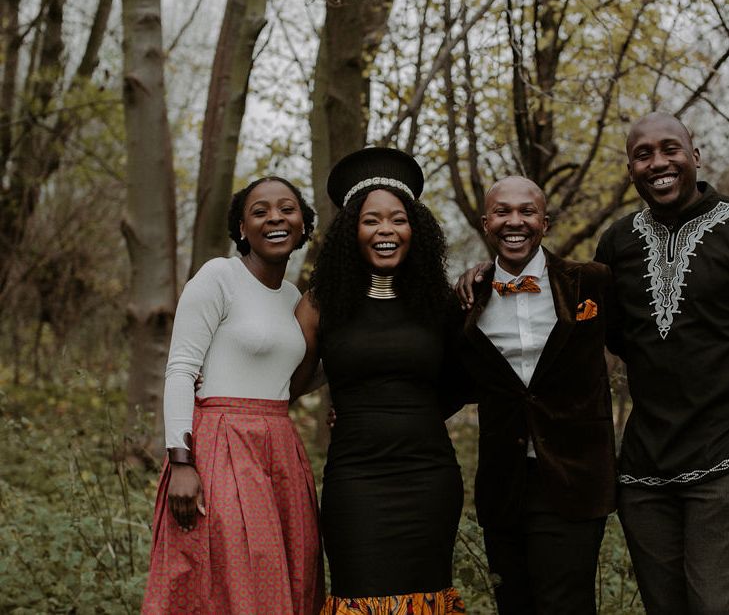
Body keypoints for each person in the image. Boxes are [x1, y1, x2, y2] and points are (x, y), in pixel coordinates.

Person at [292, 147, 466, 615]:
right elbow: (289, 381)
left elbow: (464, 381)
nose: (386, 230)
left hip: (429, 478)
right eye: (371, 221)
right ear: (353, 232)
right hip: (355, 480)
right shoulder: (321, 303)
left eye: (398, 220)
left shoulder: (441, 303)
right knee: (358, 594)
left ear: (416, 230)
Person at [142, 177, 324, 614]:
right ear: (242, 228)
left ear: (303, 224)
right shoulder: (219, 276)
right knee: (231, 580)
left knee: (291, 575)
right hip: (221, 444)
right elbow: (182, 369)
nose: (276, 218)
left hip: (280, 447)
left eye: (287, 209)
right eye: (260, 212)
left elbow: (290, 379)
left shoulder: (295, 299)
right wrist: (182, 463)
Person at [454, 176, 616, 614]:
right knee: (515, 605)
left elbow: (642, 346)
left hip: (575, 478)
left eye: (526, 211)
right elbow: (448, 382)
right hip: (504, 483)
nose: (515, 221)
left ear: (544, 221)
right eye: (503, 212)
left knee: (566, 604)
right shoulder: (467, 300)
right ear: (486, 222)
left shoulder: (591, 284)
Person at [594, 112, 729, 614]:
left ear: (694, 156)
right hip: (644, 470)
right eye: (642, 154)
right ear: (630, 168)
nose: (658, 163)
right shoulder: (617, 242)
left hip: (721, 462)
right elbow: (606, 338)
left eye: (669, 149)